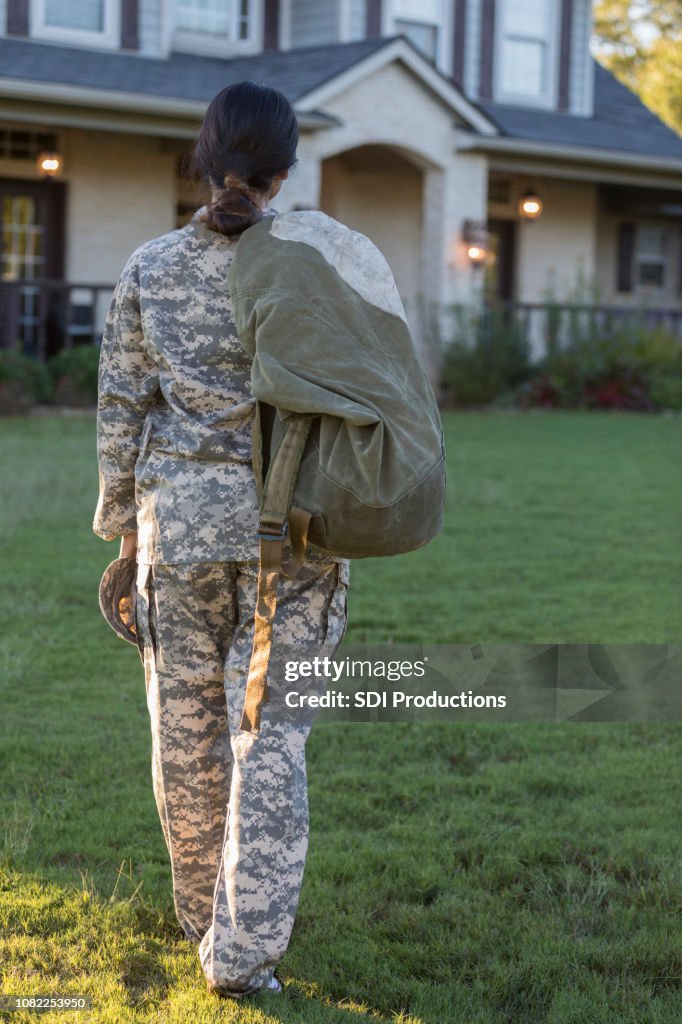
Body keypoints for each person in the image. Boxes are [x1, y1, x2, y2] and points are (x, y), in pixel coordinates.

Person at [92, 80, 349, 999]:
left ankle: (203, 919)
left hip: (181, 536)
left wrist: (124, 536)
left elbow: (122, 412)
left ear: (208, 160)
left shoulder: (150, 268)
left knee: (186, 736)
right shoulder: (318, 264)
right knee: (269, 740)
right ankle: (242, 960)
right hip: (298, 541)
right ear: (284, 170)